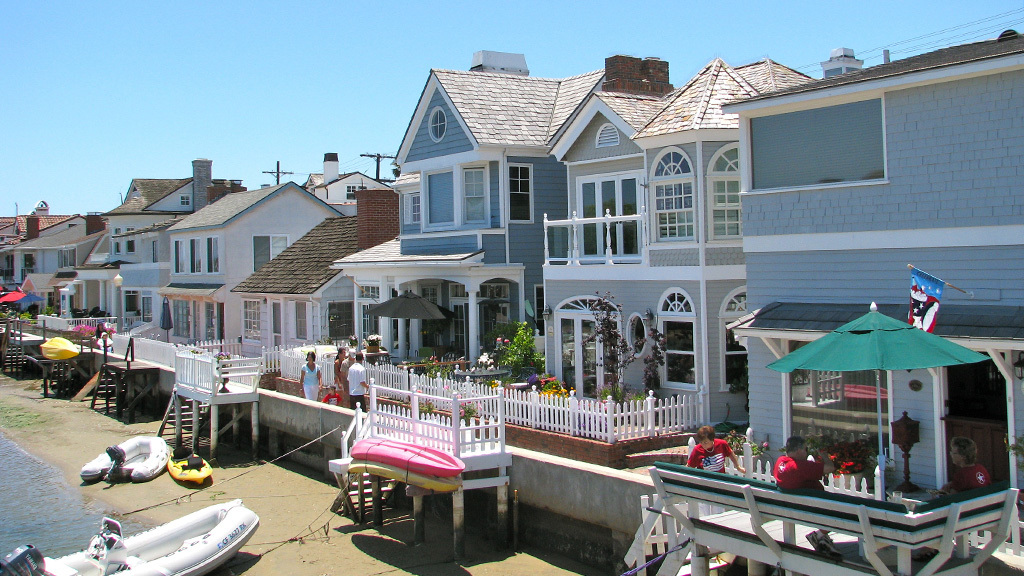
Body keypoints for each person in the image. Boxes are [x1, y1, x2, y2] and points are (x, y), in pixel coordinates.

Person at [774, 436, 840, 558]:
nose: (807, 452)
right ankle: (819, 535)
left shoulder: (780, 462)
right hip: (813, 508)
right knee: (842, 511)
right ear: (799, 450)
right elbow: (830, 468)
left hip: (794, 506)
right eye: (806, 449)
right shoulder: (800, 467)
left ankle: (822, 540)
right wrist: (824, 455)